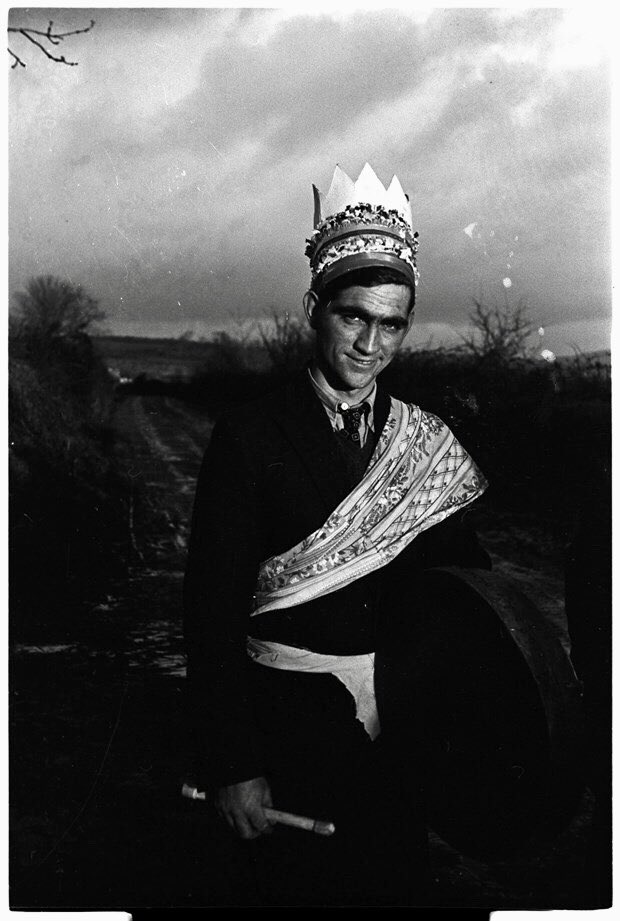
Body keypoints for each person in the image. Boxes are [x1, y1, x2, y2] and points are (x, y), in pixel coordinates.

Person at [183, 163, 491, 907]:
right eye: (353, 315)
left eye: (392, 323)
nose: (369, 342)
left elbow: (466, 596)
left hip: (393, 739)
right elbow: (210, 611)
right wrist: (233, 765)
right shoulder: (250, 435)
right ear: (313, 308)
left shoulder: (425, 443)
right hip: (284, 737)